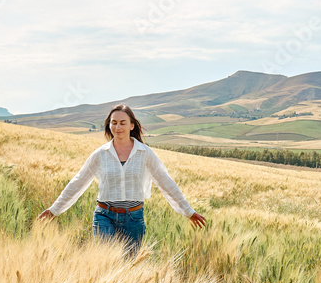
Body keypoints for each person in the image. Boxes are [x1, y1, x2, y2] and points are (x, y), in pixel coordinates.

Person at [37, 104, 206, 254]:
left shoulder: (145, 153)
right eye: (114, 122)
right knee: (106, 263)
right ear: (109, 125)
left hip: (134, 218)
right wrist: (55, 210)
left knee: (128, 268)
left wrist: (187, 211)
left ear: (132, 125)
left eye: (122, 123)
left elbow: (166, 182)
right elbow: (78, 182)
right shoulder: (100, 154)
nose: (117, 127)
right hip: (105, 215)